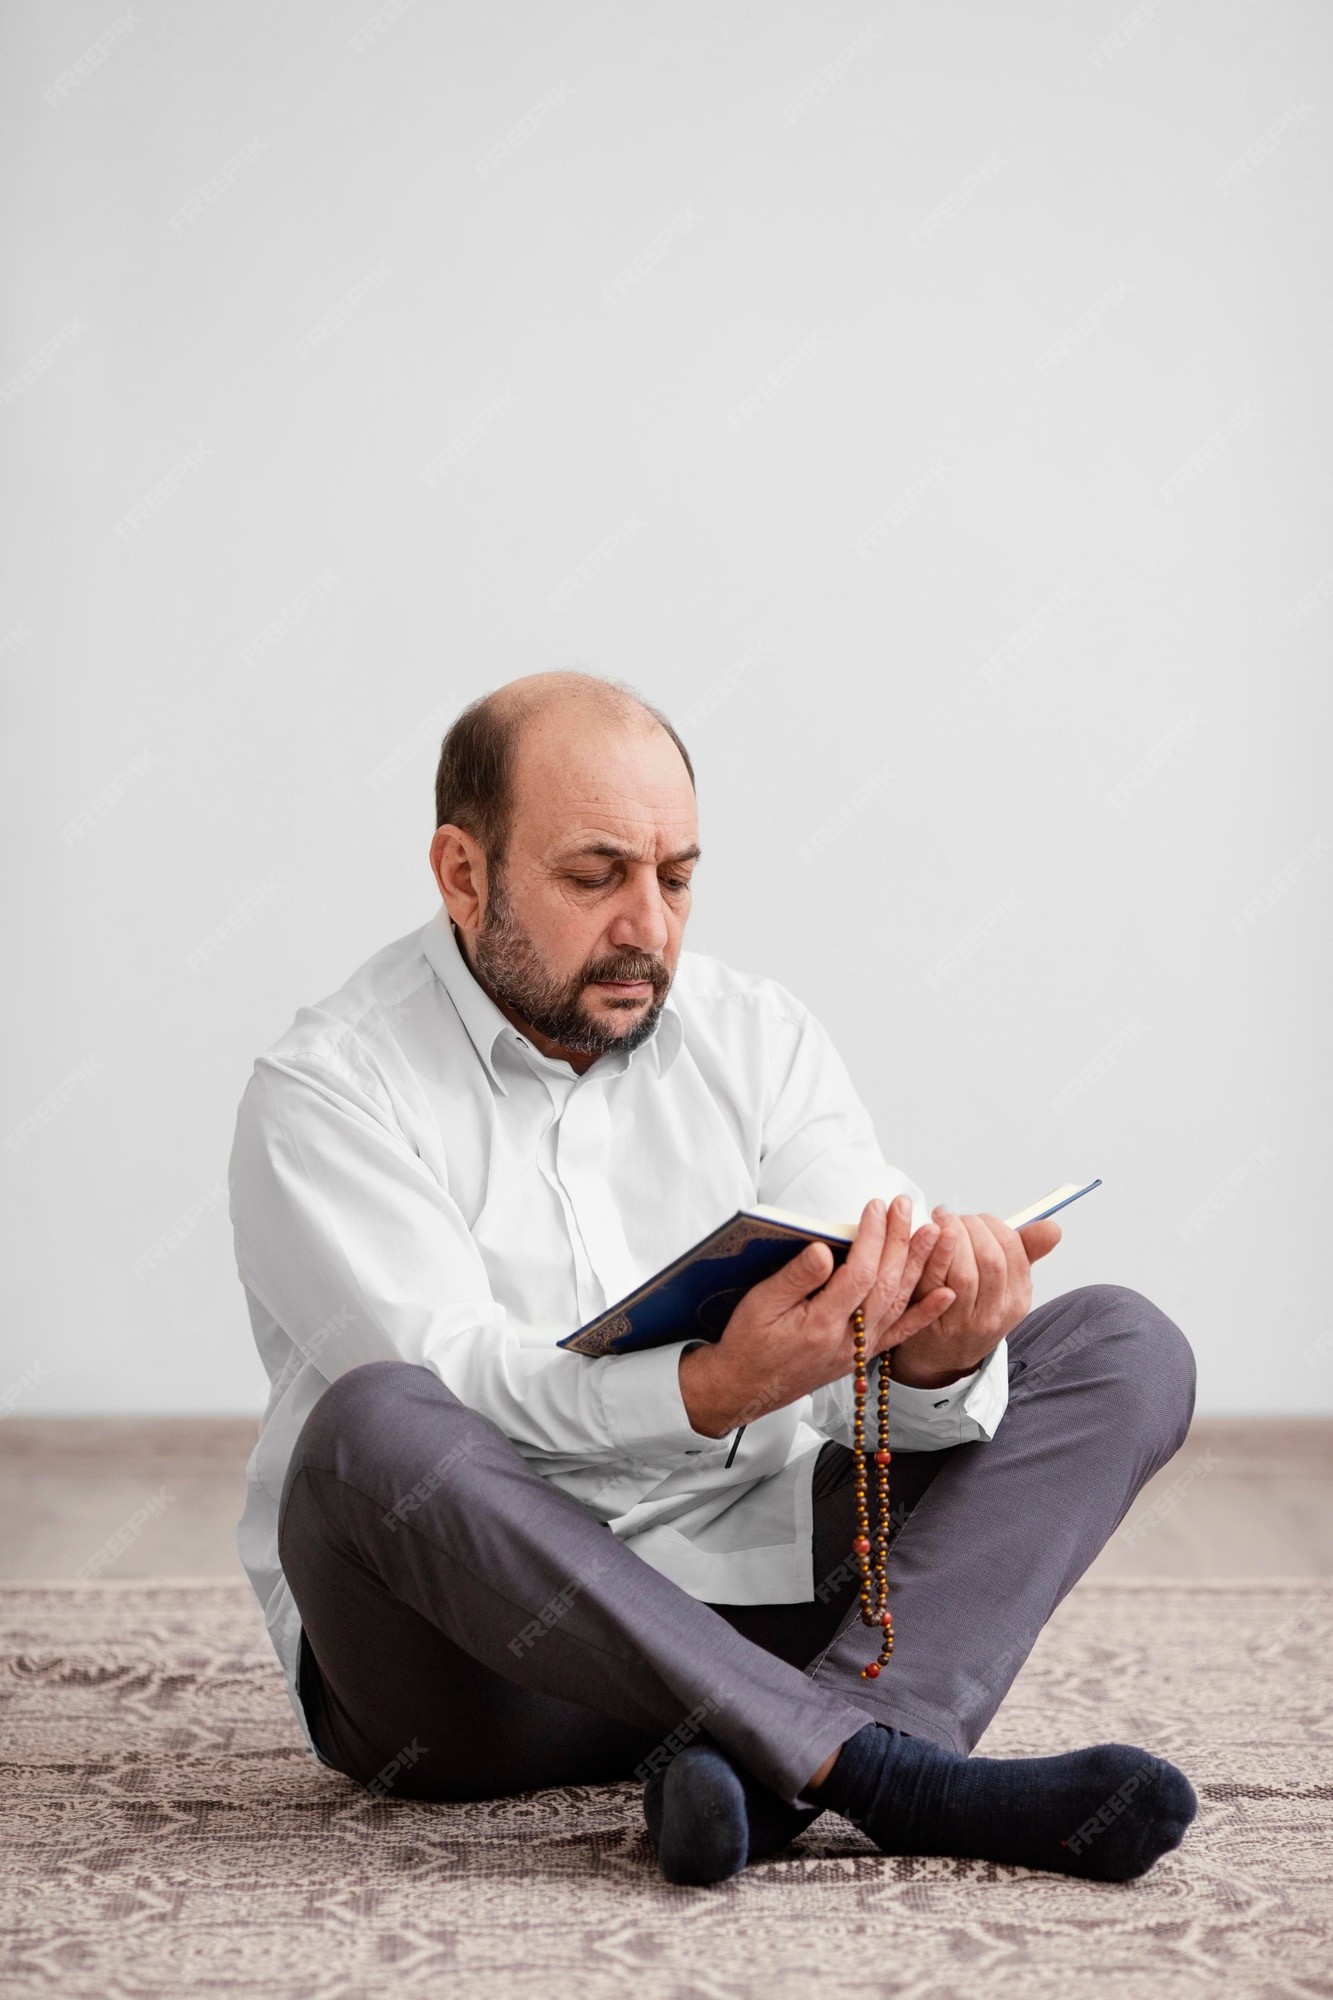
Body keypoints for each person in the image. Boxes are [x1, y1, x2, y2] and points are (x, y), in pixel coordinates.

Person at [229, 670, 1197, 1886]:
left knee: (1119, 1339)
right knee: (370, 1420)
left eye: (675, 876)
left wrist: (938, 1356)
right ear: (462, 873)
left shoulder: (760, 1038)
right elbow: (456, 1393)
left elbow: (860, 1339)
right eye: (595, 876)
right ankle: (888, 1769)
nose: (648, 924)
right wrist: (701, 1391)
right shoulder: (327, 1087)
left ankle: (766, 1764)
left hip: (772, 1603)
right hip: (482, 1678)